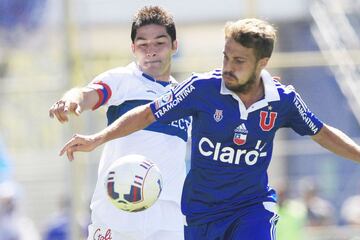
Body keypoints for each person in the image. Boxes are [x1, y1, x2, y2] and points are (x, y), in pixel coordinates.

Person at [59, 18, 360, 240]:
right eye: (226, 56)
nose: (229, 66)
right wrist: (96, 136)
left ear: (262, 63)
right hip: (195, 214)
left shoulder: (282, 100)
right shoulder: (199, 89)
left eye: (239, 60)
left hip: (246, 207)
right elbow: (143, 114)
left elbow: (321, 132)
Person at [49, 6, 190, 240]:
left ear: (174, 45)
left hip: (168, 217)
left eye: (159, 43)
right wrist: (70, 101)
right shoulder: (123, 79)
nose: (151, 51)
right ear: (133, 48)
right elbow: (87, 93)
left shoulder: (184, 95)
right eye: (143, 44)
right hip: (117, 212)